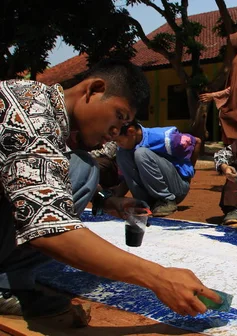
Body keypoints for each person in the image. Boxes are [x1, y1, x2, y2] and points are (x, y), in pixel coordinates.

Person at [0, 59, 221, 318]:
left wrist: (106, 202)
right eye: (118, 116)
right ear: (94, 90)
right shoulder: (31, 113)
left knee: (82, 169)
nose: (115, 132)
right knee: (82, 169)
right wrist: (159, 278)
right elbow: (48, 225)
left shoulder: (47, 109)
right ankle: (6, 284)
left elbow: (32, 177)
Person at [115, 122, 201, 217]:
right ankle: (144, 203)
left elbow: (197, 142)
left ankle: (167, 200)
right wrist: (115, 196)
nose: (118, 144)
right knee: (122, 153)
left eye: (119, 140)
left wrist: (188, 174)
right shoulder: (125, 148)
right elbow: (129, 176)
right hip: (151, 192)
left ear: (131, 132)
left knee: (141, 153)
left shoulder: (165, 137)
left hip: (176, 189)